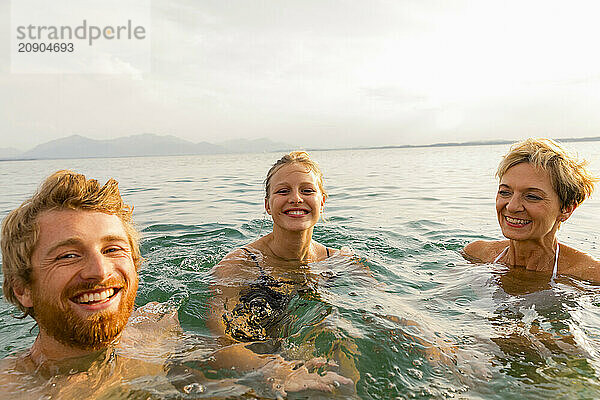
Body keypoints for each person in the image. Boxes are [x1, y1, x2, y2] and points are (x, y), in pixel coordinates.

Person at [0, 170, 179, 398]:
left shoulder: (159, 328)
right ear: (22, 289)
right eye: (68, 256)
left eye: (112, 249)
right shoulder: (11, 391)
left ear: (134, 264)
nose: (100, 271)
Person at [208, 151, 355, 397]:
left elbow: (388, 311)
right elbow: (219, 342)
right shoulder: (239, 265)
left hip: (316, 352)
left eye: (307, 191)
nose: (296, 199)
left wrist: (429, 343)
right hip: (259, 359)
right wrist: (271, 368)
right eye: (283, 191)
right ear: (267, 205)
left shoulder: (341, 261)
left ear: (322, 202)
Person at [463, 137, 600, 281]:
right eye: (505, 192)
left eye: (532, 196)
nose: (512, 206)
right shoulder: (476, 255)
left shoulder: (590, 276)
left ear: (566, 209)